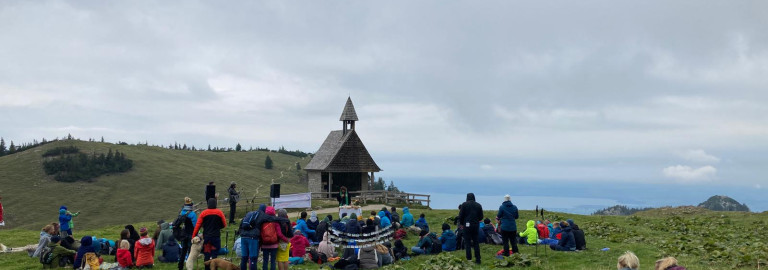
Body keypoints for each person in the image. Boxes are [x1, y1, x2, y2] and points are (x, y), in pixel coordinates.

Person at [193, 198, 227, 270]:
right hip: (216, 237)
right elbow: (224, 224)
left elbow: (198, 225)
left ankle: (207, 268)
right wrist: (218, 227)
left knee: (207, 255)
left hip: (207, 237)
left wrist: (194, 235)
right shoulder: (219, 212)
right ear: (215, 204)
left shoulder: (203, 213)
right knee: (215, 255)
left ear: (208, 204)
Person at [458, 192, 484, 264]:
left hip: (467, 225)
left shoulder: (464, 204)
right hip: (475, 225)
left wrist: (462, 223)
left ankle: (469, 259)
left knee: (468, 242)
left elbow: (461, 216)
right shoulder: (478, 205)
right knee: (476, 242)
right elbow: (481, 217)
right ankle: (478, 259)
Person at [177, 197, 198, 270]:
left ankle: (180, 266)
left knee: (183, 251)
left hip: (183, 234)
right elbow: (195, 226)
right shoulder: (192, 214)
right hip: (190, 234)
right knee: (190, 251)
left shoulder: (181, 212)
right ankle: (189, 266)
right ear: (191, 205)